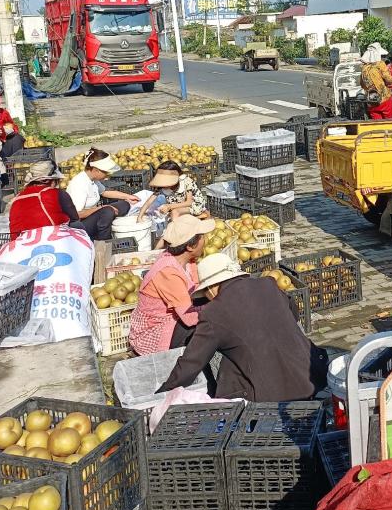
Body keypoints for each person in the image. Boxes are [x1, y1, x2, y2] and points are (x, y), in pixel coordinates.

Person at [158, 253, 329, 401]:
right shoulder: (268, 284)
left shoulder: (214, 312)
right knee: (237, 353)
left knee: (228, 362)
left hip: (272, 396)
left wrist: (163, 392)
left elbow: (191, 363)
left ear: (211, 288)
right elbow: (293, 313)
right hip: (311, 376)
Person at [128, 214, 213, 355]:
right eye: (202, 237)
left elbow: (197, 289)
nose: (206, 240)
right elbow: (190, 317)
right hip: (156, 333)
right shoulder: (168, 272)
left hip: (176, 317)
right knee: (205, 324)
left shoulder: (187, 261)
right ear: (191, 246)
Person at [65, 149, 137, 241]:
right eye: (105, 172)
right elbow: (76, 214)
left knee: (125, 204)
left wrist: (128, 196)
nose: (107, 175)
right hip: (80, 226)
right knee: (107, 212)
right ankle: (104, 241)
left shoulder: (93, 180)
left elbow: (104, 192)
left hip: (92, 216)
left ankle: (107, 223)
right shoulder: (79, 184)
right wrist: (101, 208)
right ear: (96, 170)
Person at [8, 159, 80, 239]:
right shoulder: (57, 193)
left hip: (21, 245)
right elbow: (75, 219)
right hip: (54, 241)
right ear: (51, 181)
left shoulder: (16, 199)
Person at [137, 161, 208, 222]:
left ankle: (177, 233)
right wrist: (139, 217)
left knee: (175, 213)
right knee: (169, 214)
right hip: (177, 206)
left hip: (194, 205)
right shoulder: (161, 187)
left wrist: (169, 206)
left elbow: (189, 202)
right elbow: (149, 202)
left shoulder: (186, 182)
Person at [360, 43, 392, 120]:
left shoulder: (364, 68)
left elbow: (362, 84)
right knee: (389, 121)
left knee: (377, 122)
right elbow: (388, 79)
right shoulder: (380, 65)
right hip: (384, 98)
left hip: (370, 100)